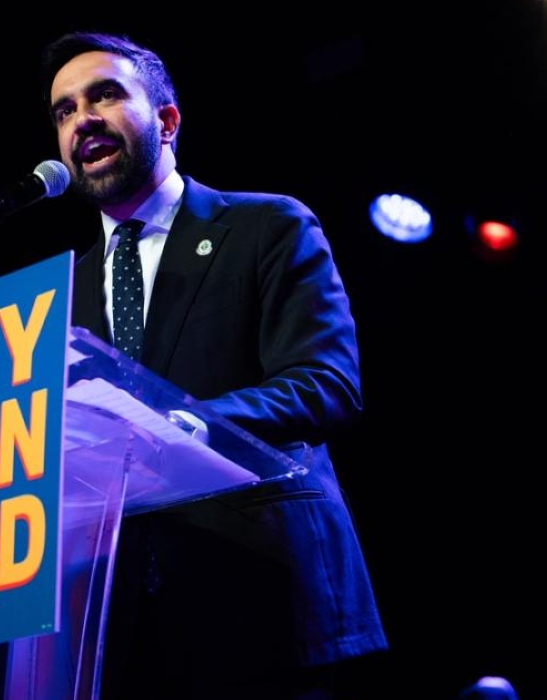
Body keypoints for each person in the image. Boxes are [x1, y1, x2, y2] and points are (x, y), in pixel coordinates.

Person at [38, 30, 389, 699]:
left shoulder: (267, 227)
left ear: (166, 120)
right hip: (116, 635)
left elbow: (327, 383)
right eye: (64, 110)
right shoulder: (56, 298)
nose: (82, 118)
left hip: (262, 604)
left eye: (104, 95)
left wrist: (189, 427)